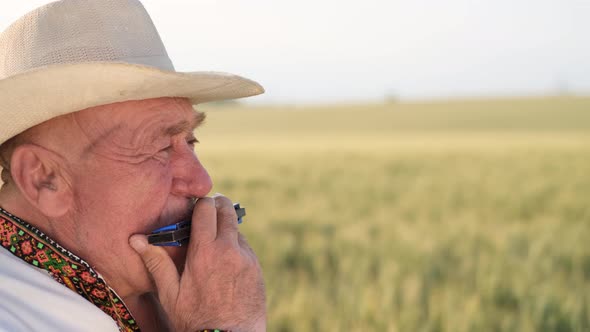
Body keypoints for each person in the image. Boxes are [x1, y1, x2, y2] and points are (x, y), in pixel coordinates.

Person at [0, 0, 266, 331]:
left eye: (191, 141)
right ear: (44, 179)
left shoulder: (155, 289)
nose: (201, 182)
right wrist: (221, 325)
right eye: (159, 149)